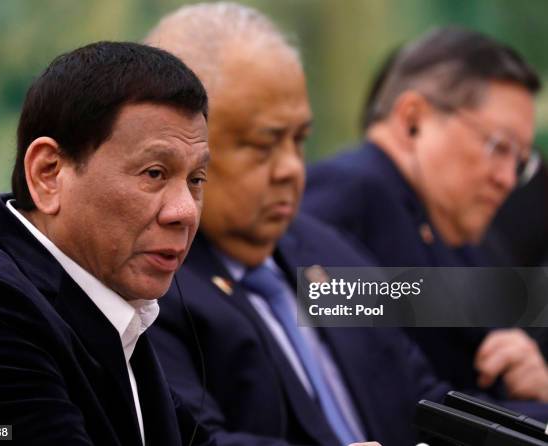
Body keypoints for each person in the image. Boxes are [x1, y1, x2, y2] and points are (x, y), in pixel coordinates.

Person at [145, 6, 548, 446]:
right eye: (263, 144)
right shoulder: (154, 280)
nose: (291, 169)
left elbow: (417, 395)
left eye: (299, 140)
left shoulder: (322, 250)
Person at [0, 41, 214, 446]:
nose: (185, 211)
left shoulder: (106, 293)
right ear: (49, 173)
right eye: (154, 173)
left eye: (196, 180)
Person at [302, 28, 548, 401]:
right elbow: (399, 395)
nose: (508, 179)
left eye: (520, 162)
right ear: (412, 121)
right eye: (499, 147)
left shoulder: (462, 238)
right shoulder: (351, 195)